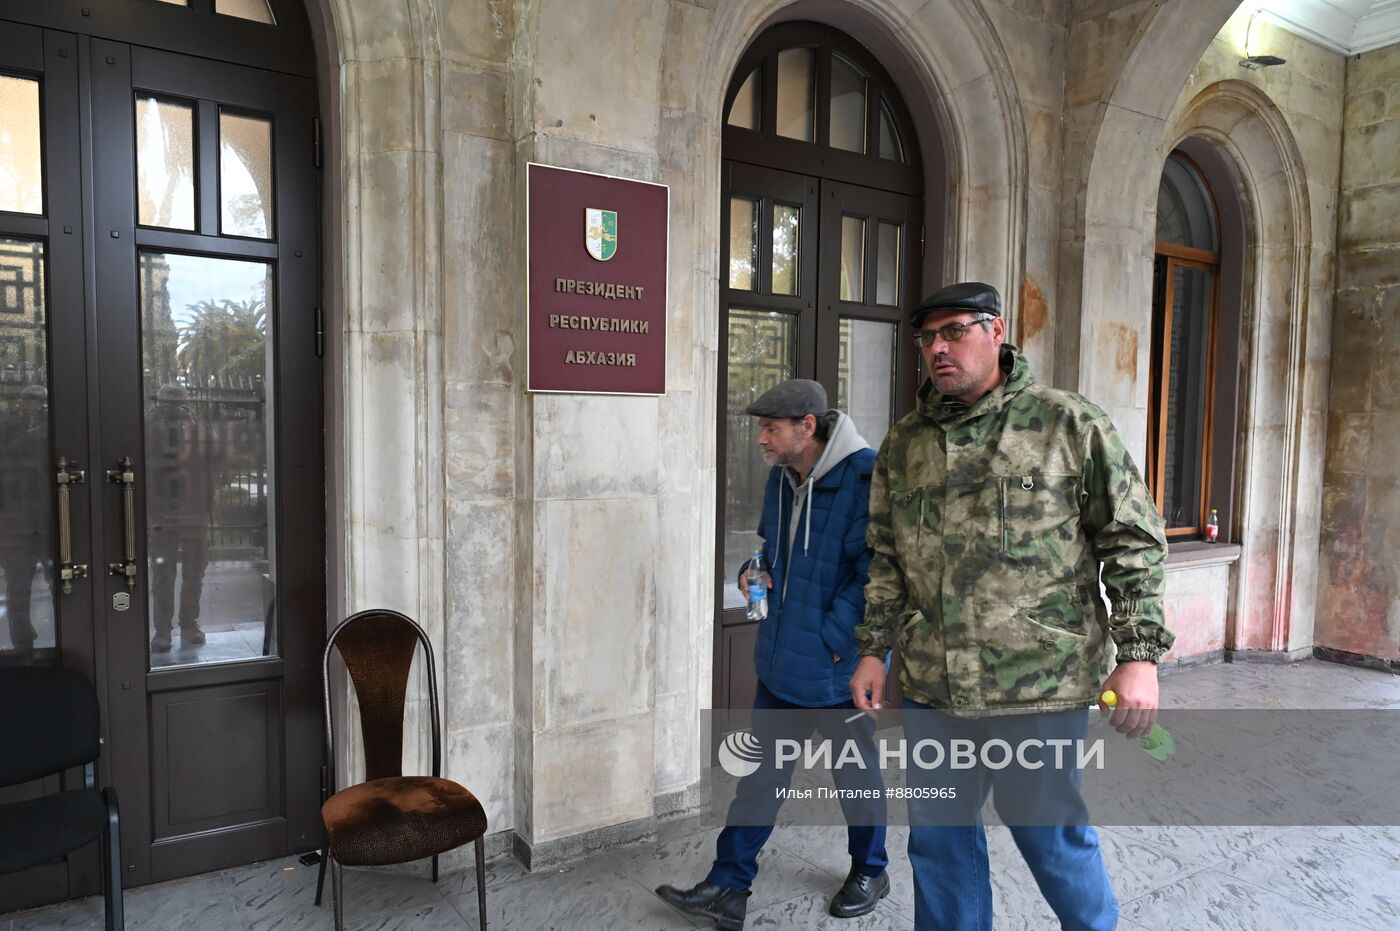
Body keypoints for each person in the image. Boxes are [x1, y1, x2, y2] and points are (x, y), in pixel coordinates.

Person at [849, 281, 1173, 931]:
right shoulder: (906, 445)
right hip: (936, 685)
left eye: (955, 331)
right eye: (927, 338)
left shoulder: (1068, 424)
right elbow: (886, 554)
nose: (938, 348)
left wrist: (1138, 656)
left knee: (1049, 832)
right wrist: (872, 648)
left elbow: (1132, 538)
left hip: (1039, 682)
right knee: (938, 844)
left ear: (996, 332)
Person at [657, 379, 890, 929]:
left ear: (807, 426)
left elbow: (877, 575)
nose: (760, 438)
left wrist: (835, 642)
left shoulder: (868, 476)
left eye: (770, 428)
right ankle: (728, 885)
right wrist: (754, 572)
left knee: (856, 775)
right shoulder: (781, 479)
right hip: (780, 663)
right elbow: (772, 549)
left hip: (841, 670)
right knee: (759, 776)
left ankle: (871, 869)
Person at [147, 384, 212, 653]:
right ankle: (162, 631)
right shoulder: (149, 426)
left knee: (194, 574)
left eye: (178, 404)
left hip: (194, 513)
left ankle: (189, 624)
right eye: (168, 404)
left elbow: (214, 456)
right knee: (163, 575)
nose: (173, 410)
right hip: (162, 514)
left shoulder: (196, 425)